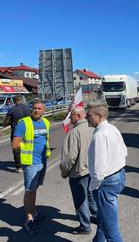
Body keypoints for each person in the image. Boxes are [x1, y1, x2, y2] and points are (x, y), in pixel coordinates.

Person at [87, 102, 126, 242]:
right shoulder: (112, 128)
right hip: (118, 175)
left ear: (99, 116)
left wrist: (93, 186)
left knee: (111, 230)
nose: (86, 117)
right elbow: (124, 151)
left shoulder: (99, 135)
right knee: (104, 221)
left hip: (106, 182)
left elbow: (99, 168)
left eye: (88, 115)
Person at [12, 99, 51, 234]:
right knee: (29, 190)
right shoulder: (24, 123)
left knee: (34, 189)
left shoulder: (46, 122)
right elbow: (15, 144)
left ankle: (34, 213)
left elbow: (46, 140)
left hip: (42, 162)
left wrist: (47, 153)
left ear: (44, 110)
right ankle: (29, 219)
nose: (36, 110)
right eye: (34, 108)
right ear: (31, 109)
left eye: (39, 108)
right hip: (31, 163)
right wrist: (28, 151)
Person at [59, 106, 98, 235]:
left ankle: (85, 226)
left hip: (79, 172)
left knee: (80, 199)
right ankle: (98, 217)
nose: (70, 119)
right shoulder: (93, 127)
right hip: (92, 170)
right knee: (91, 195)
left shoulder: (74, 132)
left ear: (79, 116)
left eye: (71, 116)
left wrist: (65, 172)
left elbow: (69, 157)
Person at [3, 95, 31, 173]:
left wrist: (11, 121)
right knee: (28, 148)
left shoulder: (12, 110)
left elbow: (5, 123)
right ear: (22, 100)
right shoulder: (28, 109)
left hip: (16, 133)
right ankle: (28, 163)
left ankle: (19, 167)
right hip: (27, 132)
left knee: (16, 150)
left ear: (14, 101)